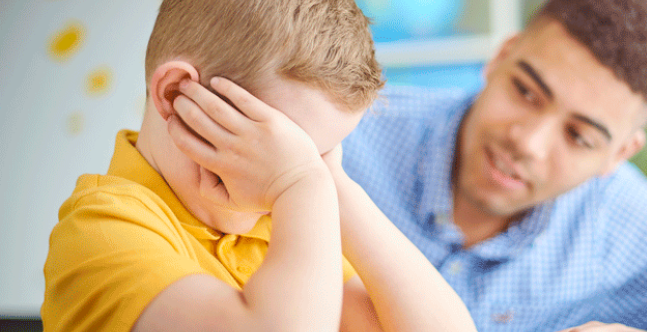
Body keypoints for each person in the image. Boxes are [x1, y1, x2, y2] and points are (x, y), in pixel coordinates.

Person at [176, 0, 647, 331]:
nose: (528, 141)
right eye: (527, 90)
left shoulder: (626, 221)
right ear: (498, 59)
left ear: (619, 155)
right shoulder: (346, 135)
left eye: (581, 136)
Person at [41, 0, 477, 331]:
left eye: (319, 154)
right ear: (177, 95)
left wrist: (335, 187)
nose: (304, 169)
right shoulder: (102, 229)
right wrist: (298, 184)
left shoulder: (277, 228)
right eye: (281, 145)